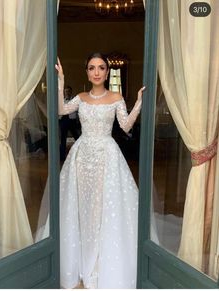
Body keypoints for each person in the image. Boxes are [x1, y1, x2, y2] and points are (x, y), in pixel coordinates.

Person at [55, 52, 145, 289]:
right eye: (92, 68)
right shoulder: (81, 97)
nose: (96, 72)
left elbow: (125, 125)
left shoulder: (116, 97)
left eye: (101, 68)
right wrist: (61, 81)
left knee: (103, 205)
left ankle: (98, 260)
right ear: (87, 71)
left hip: (107, 157)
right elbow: (61, 110)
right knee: (82, 205)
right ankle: (83, 256)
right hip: (82, 157)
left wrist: (138, 103)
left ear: (107, 71)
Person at [59, 86, 80, 161]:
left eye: (68, 91)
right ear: (64, 92)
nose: (67, 92)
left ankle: (81, 153)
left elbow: (77, 110)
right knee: (63, 139)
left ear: (71, 92)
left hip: (72, 120)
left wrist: (77, 119)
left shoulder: (74, 100)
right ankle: (62, 156)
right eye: (66, 91)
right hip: (63, 120)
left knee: (76, 137)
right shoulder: (62, 101)